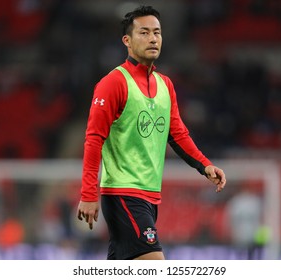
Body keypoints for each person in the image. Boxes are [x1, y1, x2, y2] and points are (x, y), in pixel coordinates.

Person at [77, 5, 226, 260]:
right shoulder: (113, 83)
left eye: (157, 32)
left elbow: (177, 133)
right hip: (123, 193)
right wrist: (88, 194)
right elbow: (94, 139)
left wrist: (204, 165)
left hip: (150, 196)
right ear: (127, 40)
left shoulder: (165, 84)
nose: (153, 38)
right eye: (144, 33)